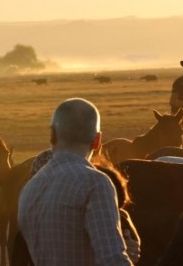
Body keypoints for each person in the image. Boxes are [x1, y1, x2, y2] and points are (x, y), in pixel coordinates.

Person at [17, 98, 134, 266]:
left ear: (52, 135)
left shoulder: (30, 189)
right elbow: (112, 260)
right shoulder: (95, 183)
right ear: (97, 141)